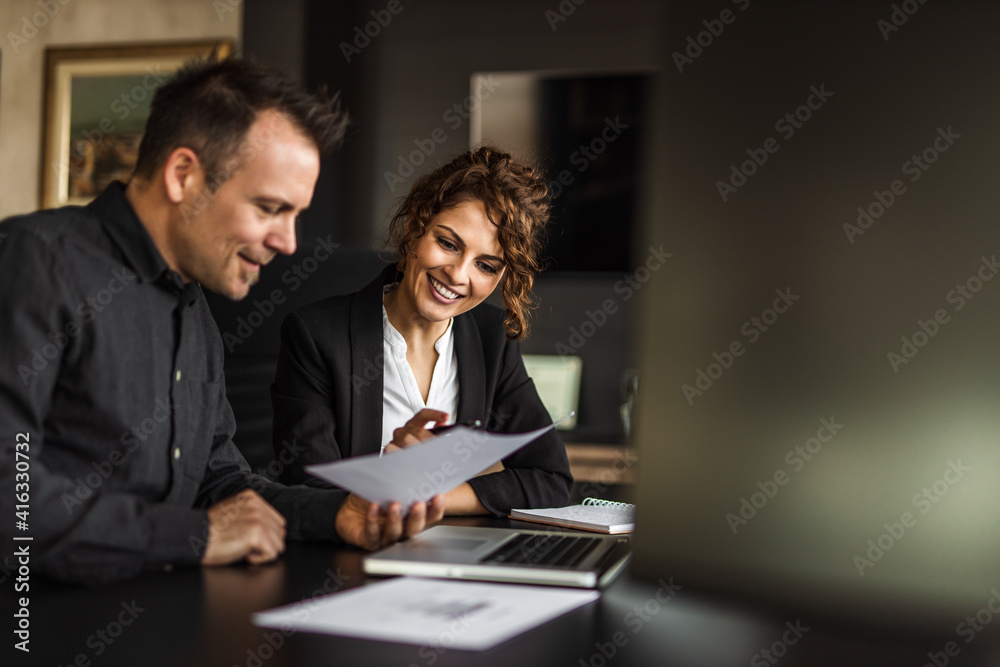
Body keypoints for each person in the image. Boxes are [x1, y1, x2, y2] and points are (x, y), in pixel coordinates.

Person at [0, 57, 442, 585]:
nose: (289, 242)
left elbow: (216, 478)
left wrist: (339, 513)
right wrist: (195, 536)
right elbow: (11, 499)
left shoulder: (194, 302)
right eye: (269, 208)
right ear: (183, 175)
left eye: (295, 215)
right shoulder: (34, 260)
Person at [271, 147, 573, 516]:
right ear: (416, 228)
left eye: (486, 265)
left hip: (453, 560)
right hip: (351, 562)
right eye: (447, 244)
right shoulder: (317, 335)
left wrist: (427, 495)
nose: (459, 275)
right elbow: (306, 489)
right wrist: (385, 481)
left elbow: (551, 479)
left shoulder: (491, 340)